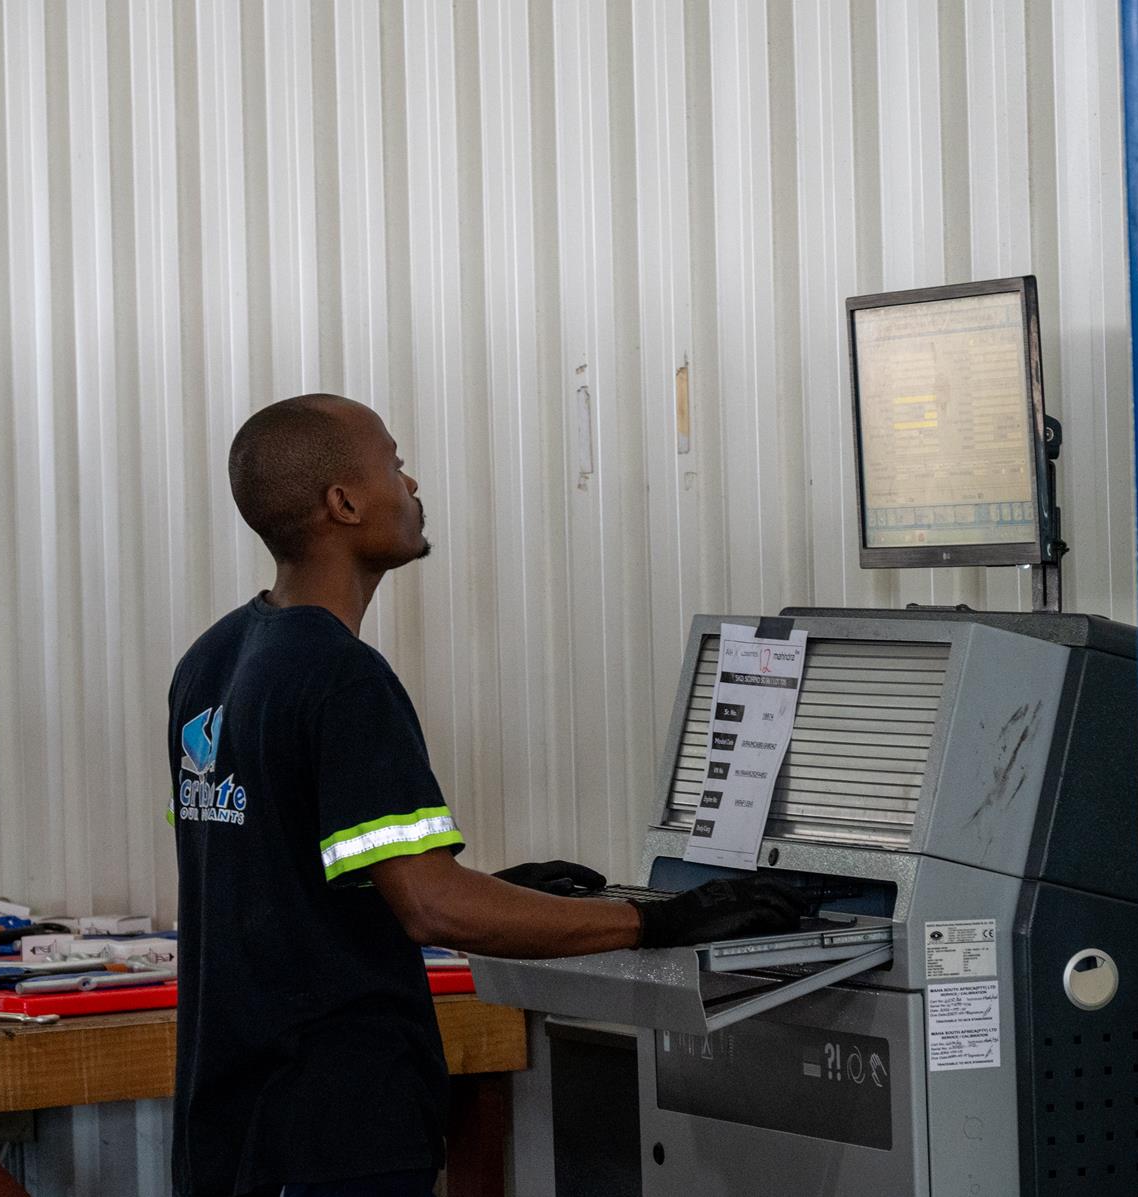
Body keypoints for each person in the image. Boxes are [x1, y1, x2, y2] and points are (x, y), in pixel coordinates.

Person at [167, 394, 808, 1197]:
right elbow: (431, 907)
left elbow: (289, 879)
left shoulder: (213, 659)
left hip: (230, 1127)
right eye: (394, 463)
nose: (411, 482)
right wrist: (658, 920)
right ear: (344, 502)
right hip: (333, 1131)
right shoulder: (340, 677)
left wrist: (497, 891)